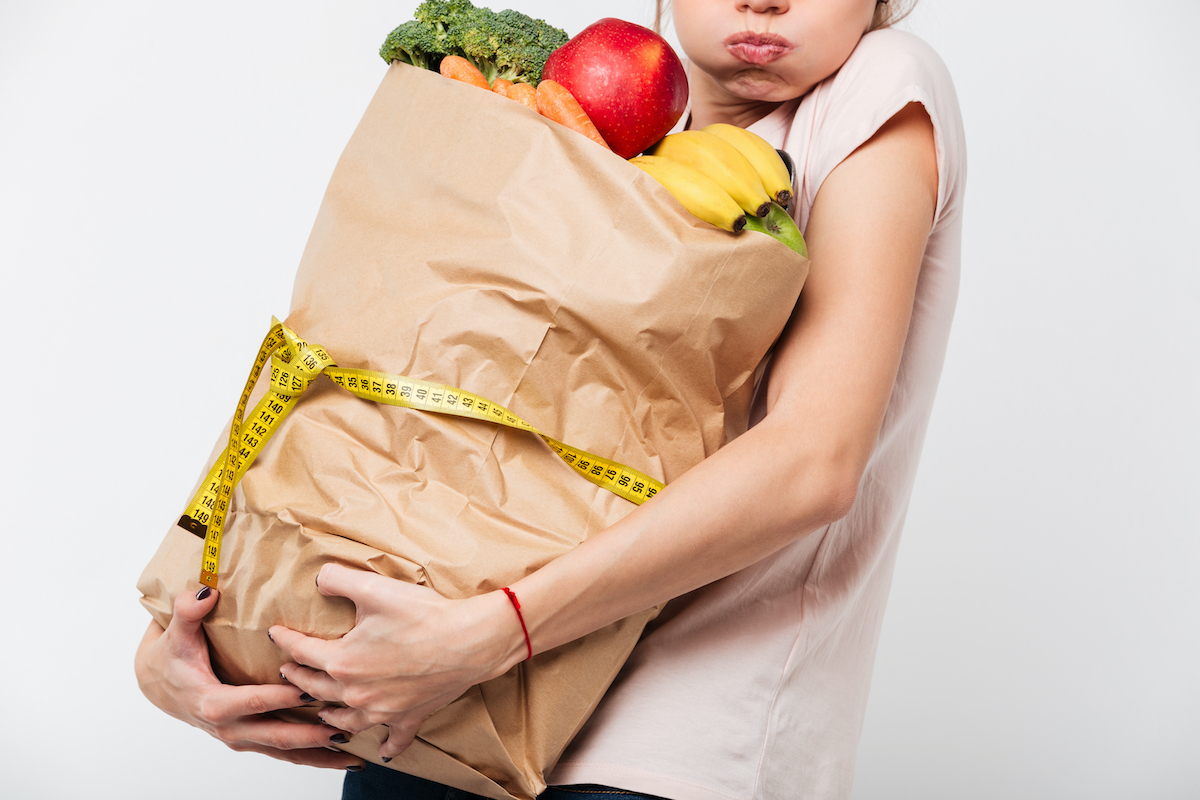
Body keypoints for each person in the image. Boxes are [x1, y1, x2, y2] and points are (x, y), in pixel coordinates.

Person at [135, 0, 965, 797]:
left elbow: (812, 462)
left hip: (660, 749)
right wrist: (183, 646)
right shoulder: (608, 139)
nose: (762, 0)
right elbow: (378, 375)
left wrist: (492, 633)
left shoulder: (879, 84)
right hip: (435, 717)